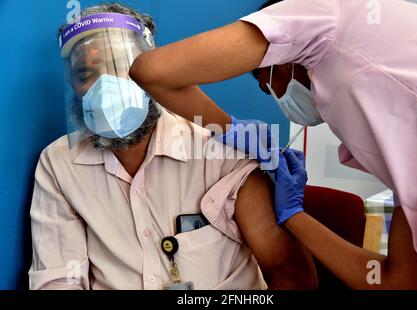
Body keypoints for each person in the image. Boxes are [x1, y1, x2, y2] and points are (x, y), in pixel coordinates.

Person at [129, 0, 417, 289]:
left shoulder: (321, 10)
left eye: (266, 84)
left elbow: (152, 70)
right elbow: (397, 283)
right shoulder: (408, 150)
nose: (273, 96)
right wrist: (293, 214)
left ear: (281, 56)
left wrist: (229, 128)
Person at [28, 3, 319, 290]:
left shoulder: (220, 152)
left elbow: (288, 269)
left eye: (120, 64)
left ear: (147, 67)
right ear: (73, 85)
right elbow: (59, 281)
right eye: (85, 75)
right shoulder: (60, 164)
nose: (105, 85)